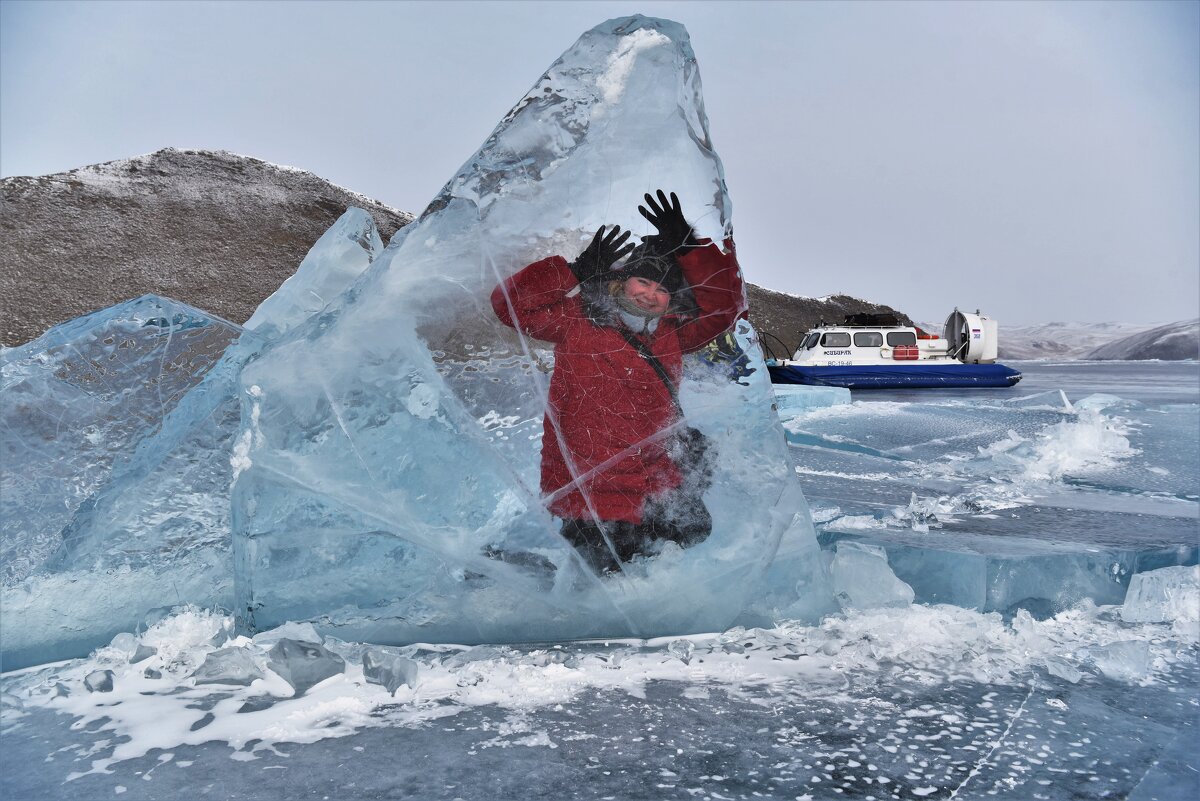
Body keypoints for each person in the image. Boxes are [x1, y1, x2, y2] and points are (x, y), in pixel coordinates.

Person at [490, 191, 745, 575]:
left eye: (662, 290)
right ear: (619, 283)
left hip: (658, 484)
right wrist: (574, 270)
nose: (650, 295)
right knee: (601, 586)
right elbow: (509, 305)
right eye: (642, 281)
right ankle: (514, 575)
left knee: (670, 563)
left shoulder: (673, 334)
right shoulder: (576, 321)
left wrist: (691, 244)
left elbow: (726, 307)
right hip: (594, 491)